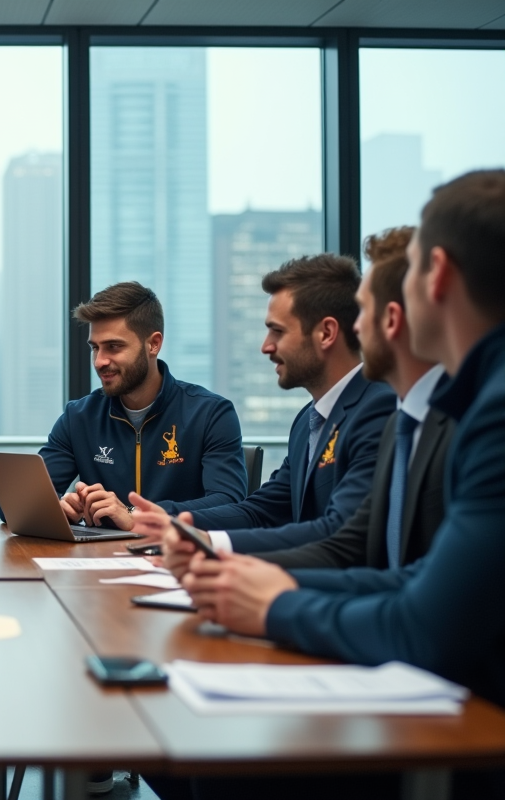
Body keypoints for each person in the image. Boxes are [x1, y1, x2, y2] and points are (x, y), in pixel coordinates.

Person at [166, 170, 505, 799]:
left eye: (368, 309)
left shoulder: (478, 412)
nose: (361, 323)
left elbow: (416, 610)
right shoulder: (424, 412)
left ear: (436, 276)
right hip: (432, 681)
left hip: (468, 726)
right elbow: (408, 575)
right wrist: (241, 573)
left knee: (213, 766)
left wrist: (274, 602)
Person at [132, 254, 396, 554]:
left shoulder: (379, 409)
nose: (266, 346)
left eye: (278, 331)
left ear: (326, 333)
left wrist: (212, 543)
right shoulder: (308, 421)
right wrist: (170, 521)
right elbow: (260, 512)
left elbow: (339, 532)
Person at [251, 227, 452, 571]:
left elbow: (344, 541)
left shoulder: (386, 411)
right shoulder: (315, 420)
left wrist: (251, 579)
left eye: (365, 311)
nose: (356, 327)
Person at [23, 282, 246, 532]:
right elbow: (17, 503)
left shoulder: (211, 413)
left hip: (178, 551)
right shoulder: (79, 417)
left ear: (153, 344)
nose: (99, 361)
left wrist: (136, 516)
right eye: (95, 348)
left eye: (113, 346)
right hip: (101, 555)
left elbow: (230, 503)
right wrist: (56, 508)